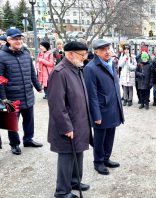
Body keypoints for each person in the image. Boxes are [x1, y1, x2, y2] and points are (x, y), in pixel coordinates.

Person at [47, 41, 91, 198]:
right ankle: (62, 191)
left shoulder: (76, 68)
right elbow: (57, 104)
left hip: (79, 122)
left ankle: (74, 181)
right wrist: (66, 127)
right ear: (70, 54)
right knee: (67, 157)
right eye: (82, 54)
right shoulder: (60, 72)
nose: (85, 58)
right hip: (68, 125)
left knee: (78, 153)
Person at [84, 39, 124, 175]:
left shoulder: (111, 63)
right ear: (96, 52)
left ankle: (106, 158)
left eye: (108, 48)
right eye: (103, 49)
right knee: (99, 138)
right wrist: (96, 115)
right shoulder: (90, 68)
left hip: (113, 106)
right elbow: (91, 94)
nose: (107, 52)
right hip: (101, 109)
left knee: (110, 135)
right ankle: (98, 162)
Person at [0, 28, 43, 155]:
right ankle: (14, 144)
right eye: (15, 39)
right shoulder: (1, 56)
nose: (18, 41)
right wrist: (3, 97)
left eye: (20, 38)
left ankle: (28, 139)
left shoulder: (25, 53)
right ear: (8, 40)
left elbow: (31, 72)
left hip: (27, 93)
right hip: (11, 96)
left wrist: (38, 86)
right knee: (12, 122)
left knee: (29, 119)